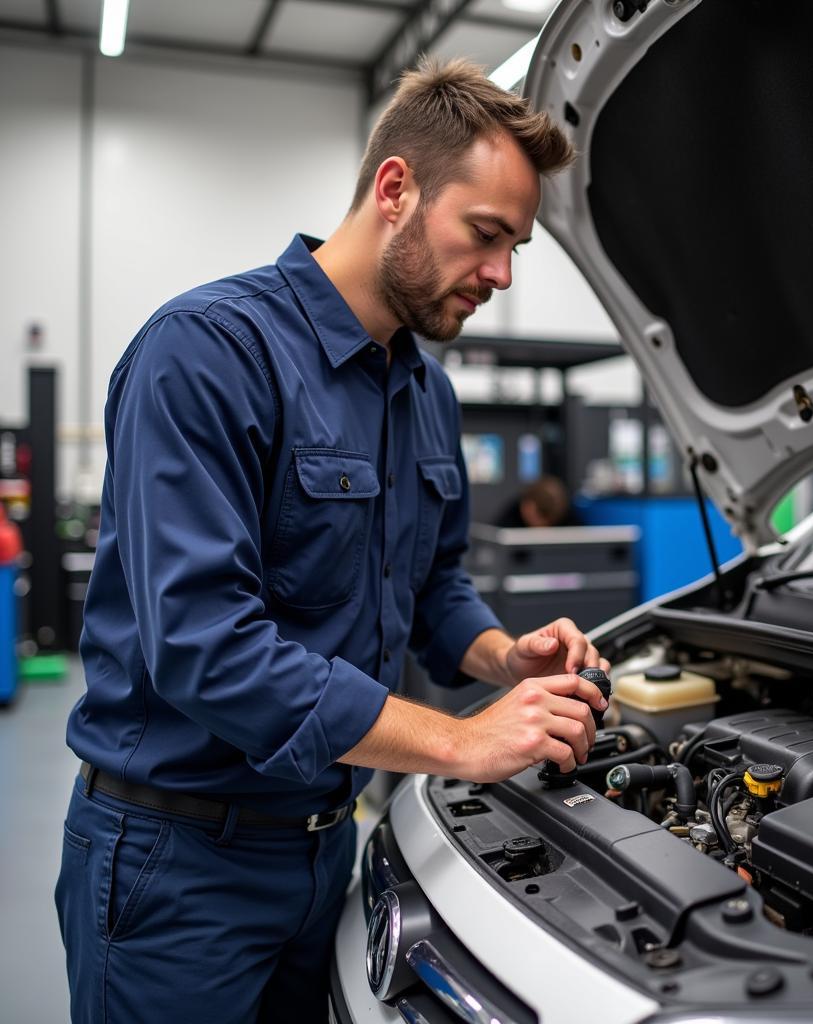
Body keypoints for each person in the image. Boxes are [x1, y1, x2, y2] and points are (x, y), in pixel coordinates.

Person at [55, 57, 609, 1023]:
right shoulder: (208, 354)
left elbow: (434, 589)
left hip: (327, 850)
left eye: (516, 247)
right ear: (395, 189)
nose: (501, 276)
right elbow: (207, 649)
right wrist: (463, 742)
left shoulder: (425, 394)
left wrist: (502, 654)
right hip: (176, 864)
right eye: (486, 235)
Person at [497, 474, 580, 528]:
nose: (540, 528)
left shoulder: (569, 517)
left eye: (546, 524)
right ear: (526, 506)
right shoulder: (511, 514)